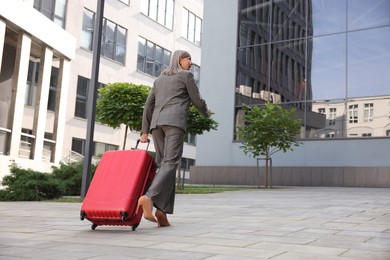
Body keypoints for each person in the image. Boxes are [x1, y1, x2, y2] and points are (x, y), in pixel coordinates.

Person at [138, 50, 209, 227]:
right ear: (179, 60)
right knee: (171, 163)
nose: (191, 63)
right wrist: (206, 113)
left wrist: (145, 130)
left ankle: (162, 213)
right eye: (188, 59)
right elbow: (197, 100)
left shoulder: (159, 79)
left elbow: (148, 105)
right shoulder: (186, 76)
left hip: (156, 125)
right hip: (174, 122)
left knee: (165, 166)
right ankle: (149, 197)